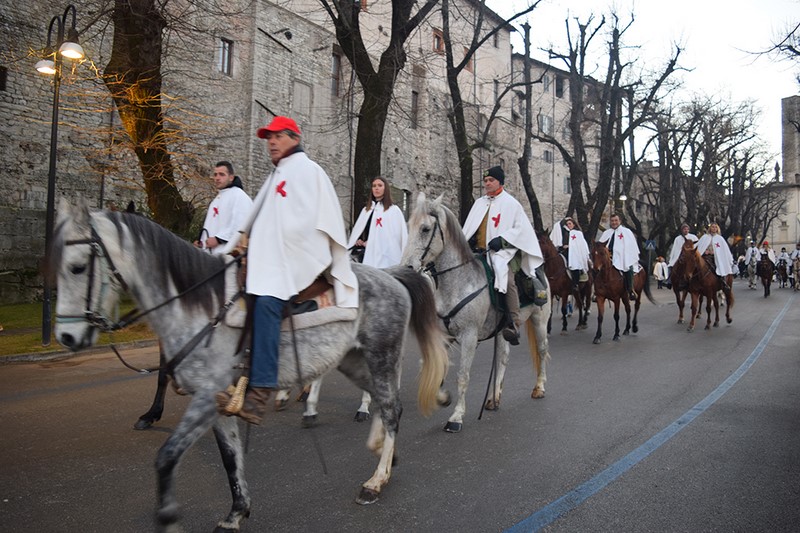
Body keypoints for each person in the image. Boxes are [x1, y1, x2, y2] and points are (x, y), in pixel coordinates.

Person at [215, 116, 358, 425]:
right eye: (269, 137)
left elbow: (309, 224)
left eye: (278, 136)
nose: (271, 142)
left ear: (295, 137)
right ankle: (236, 379)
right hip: (269, 262)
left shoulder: (308, 171)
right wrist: (244, 244)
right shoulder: (277, 173)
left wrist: (275, 248)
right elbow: (262, 219)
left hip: (298, 262)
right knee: (234, 300)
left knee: (267, 303)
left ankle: (259, 392)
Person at [462, 166, 544, 345]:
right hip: (479, 253)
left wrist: (503, 241)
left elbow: (522, 231)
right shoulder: (479, 203)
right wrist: (469, 240)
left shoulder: (511, 204)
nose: (487, 183)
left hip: (504, 253)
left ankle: (513, 323)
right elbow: (470, 228)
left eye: (491, 180)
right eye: (485, 181)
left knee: (506, 279)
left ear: (500, 182)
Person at [346, 176, 408, 268]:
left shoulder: (393, 211)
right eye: (374, 186)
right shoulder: (366, 210)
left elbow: (393, 238)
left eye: (380, 185)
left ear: (385, 188)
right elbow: (361, 231)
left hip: (385, 257)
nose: (376, 188)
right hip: (364, 255)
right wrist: (359, 241)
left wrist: (371, 243)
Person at [194, 161, 253, 255]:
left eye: (221, 174)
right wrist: (202, 242)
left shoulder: (239, 196)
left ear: (231, 177)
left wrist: (219, 239)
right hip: (210, 256)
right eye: (215, 174)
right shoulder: (216, 200)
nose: (217, 178)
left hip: (227, 256)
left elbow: (241, 225)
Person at [599, 213, 640, 300]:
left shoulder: (626, 232)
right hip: (608, 258)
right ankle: (597, 291)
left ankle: (630, 290)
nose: (614, 222)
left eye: (616, 220)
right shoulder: (606, 233)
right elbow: (600, 247)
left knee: (628, 268)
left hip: (623, 257)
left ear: (620, 221)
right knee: (597, 269)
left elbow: (630, 246)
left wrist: (622, 254)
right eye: (612, 221)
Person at [548, 216, 590, 290]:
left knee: (575, 265)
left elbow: (579, 245)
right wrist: (562, 246)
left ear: (574, 224)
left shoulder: (578, 233)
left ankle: (575, 283)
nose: (568, 225)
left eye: (570, 223)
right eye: (567, 224)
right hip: (565, 252)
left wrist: (569, 246)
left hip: (575, 254)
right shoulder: (565, 233)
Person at [694, 222, 734, 289]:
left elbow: (723, 250)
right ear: (710, 228)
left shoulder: (720, 238)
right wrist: (705, 251)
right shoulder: (704, 237)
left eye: (715, 227)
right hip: (705, 256)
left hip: (715, 257)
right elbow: (699, 247)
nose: (714, 228)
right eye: (713, 227)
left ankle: (723, 280)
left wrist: (714, 252)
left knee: (719, 266)